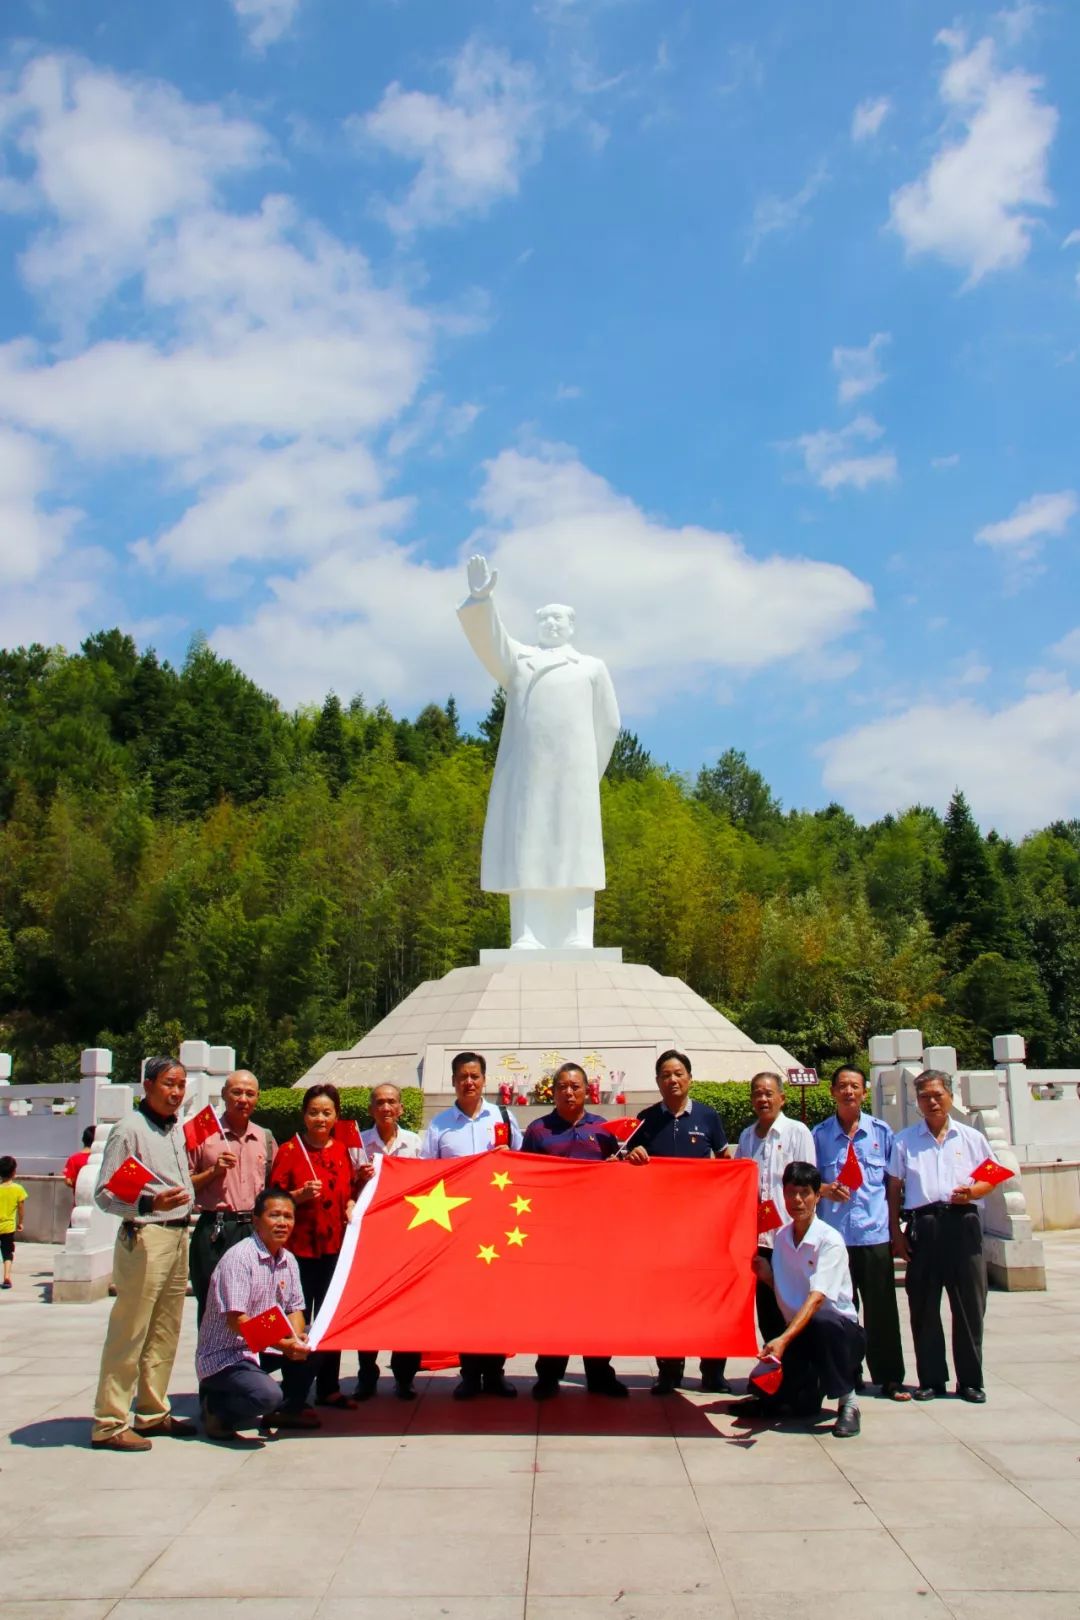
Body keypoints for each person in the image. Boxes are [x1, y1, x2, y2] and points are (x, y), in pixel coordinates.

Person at [458, 553, 620, 950]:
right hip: (530, 773)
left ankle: (576, 934)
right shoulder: (521, 662)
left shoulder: (591, 667)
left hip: (576, 774)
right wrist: (482, 602)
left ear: (571, 625)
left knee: (575, 848)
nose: (550, 624)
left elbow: (610, 724)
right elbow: (492, 643)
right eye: (543, 618)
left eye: (557, 619)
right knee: (528, 845)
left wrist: (588, 773)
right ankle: (526, 932)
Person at [91, 1056, 197, 1451]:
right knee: (130, 1330)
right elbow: (104, 1195)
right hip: (146, 1235)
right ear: (147, 1085)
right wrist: (150, 1205)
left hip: (178, 1234)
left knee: (165, 1330)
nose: (176, 1092)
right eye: (169, 1083)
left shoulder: (175, 1130)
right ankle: (109, 1421)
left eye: (182, 1084)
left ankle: (152, 1411)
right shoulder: (129, 1130)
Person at [888, 1069, 997, 1404]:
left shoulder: (970, 1137)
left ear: (950, 1096)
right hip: (924, 1225)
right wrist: (896, 1233)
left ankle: (970, 1381)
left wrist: (974, 1190)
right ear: (917, 1101)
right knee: (923, 1307)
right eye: (925, 1096)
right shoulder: (905, 1140)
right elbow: (894, 1188)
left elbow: (992, 1175)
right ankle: (931, 1379)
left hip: (962, 1223)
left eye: (938, 1095)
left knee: (969, 1306)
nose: (932, 1102)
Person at [626, 1050, 730, 1394]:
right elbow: (623, 1164)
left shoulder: (708, 1117)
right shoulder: (643, 1120)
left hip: (702, 1228)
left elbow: (725, 1163)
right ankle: (669, 1369)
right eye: (666, 1075)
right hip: (660, 1229)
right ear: (657, 1082)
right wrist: (632, 1156)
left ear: (689, 1078)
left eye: (679, 1073)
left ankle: (713, 1370)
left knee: (708, 1298)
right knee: (665, 1301)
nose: (673, 1080)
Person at [521, 1062, 627, 1401]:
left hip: (597, 1234)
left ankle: (599, 1374)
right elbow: (526, 1177)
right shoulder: (538, 1130)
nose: (569, 1092)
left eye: (576, 1086)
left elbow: (623, 1176)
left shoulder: (605, 1129)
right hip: (553, 1235)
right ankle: (548, 1375)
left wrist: (622, 1165)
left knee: (597, 1307)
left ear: (587, 1090)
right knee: (553, 1307)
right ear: (552, 1091)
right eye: (563, 1086)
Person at [422, 1051, 522, 1399]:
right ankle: (470, 1373)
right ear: (453, 1081)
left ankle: (495, 1372)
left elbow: (522, 1166)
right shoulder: (439, 1125)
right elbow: (426, 1173)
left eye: (475, 1076)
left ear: (484, 1080)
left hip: (497, 1224)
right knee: (464, 1300)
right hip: (459, 1226)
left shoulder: (504, 1117)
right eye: (463, 1076)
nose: (469, 1082)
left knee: (496, 1300)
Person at [814, 1066, 908, 1400]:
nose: (848, 1092)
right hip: (836, 1237)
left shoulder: (882, 1133)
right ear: (832, 1092)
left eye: (854, 1086)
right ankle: (848, 1375)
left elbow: (893, 1185)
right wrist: (825, 1188)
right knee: (841, 1312)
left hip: (874, 1234)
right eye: (842, 1087)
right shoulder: (819, 1136)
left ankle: (890, 1376)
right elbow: (810, 1184)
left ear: (864, 1093)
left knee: (881, 1309)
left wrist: (897, 1230)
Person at [750, 1161, 865, 1437]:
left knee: (823, 1320)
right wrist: (767, 1277)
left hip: (838, 1335)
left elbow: (816, 1300)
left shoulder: (830, 1241)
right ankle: (806, 1391)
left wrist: (782, 1340)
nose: (797, 1201)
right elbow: (790, 1287)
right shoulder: (782, 1239)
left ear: (817, 1196)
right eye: (791, 1193)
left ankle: (848, 1402)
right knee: (763, 1390)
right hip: (801, 1336)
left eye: (805, 1193)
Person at [270, 1083, 362, 1424]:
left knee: (328, 1320)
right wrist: (297, 1195)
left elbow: (348, 1191)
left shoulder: (341, 1150)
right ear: (303, 1115)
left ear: (336, 1116)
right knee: (298, 1322)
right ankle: (294, 1393)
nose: (320, 1118)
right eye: (314, 1112)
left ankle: (329, 1387)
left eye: (327, 1112)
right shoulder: (290, 1150)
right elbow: (273, 1202)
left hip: (333, 1248)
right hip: (298, 1252)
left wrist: (352, 1201)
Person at [196, 1187, 309, 1442]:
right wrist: (284, 1345)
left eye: (288, 1217)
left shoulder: (288, 1259)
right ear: (257, 1221)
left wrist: (296, 1338)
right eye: (275, 1215)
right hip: (227, 1355)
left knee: (316, 1341)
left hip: (262, 1347)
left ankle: (288, 1409)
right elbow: (238, 1321)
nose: (282, 1223)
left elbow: (295, 1308)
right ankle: (217, 1411)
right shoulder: (239, 1259)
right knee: (267, 1396)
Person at [734, 1070, 816, 1355]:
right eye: (757, 1093)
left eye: (769, 1093)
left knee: (792, 1307)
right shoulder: (747, 1137)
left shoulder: (797, 1132)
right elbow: (739, 1183)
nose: (763, 1098)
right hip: (759, 1240)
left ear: (782, 1098)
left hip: (789, 1237)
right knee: (767, 1312)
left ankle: (798, 1378)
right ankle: (773, 1378)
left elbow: (807, 1183)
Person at [188, 1070, 276, 1323]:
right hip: (215, 1229)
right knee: (211, 1304)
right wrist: (213, 1172)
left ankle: (249, 1362)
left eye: (250, 1093)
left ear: (258, 1097)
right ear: (225, 1094)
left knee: (255, 1303)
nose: (243, 1099)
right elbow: (185, 1185)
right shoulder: (203, 1133)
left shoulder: (265, 1138)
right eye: (236, 1092)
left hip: (253, 1229)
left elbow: (273, 1187)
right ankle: (211, 1360)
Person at [354, 1082, 422, 1401]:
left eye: (391, 1102)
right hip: (370, 1236)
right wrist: (359, 1179)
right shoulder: (358, 1145)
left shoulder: (415, 1144)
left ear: (401, 1109)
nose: (385, 1108)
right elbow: (346, 1187)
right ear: (370, 1109)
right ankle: (367, 1372)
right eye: (379, 1102)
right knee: (367, 1305)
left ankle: (405, 1376)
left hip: (407, 1235)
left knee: (407, 1308)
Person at [0, 1156, 27, 1290]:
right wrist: (20, 1222)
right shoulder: (18, 1189)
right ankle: (6, 1277)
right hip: (8, 1227)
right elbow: (21, 1209)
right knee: (7, 1253)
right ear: (14, 1172)